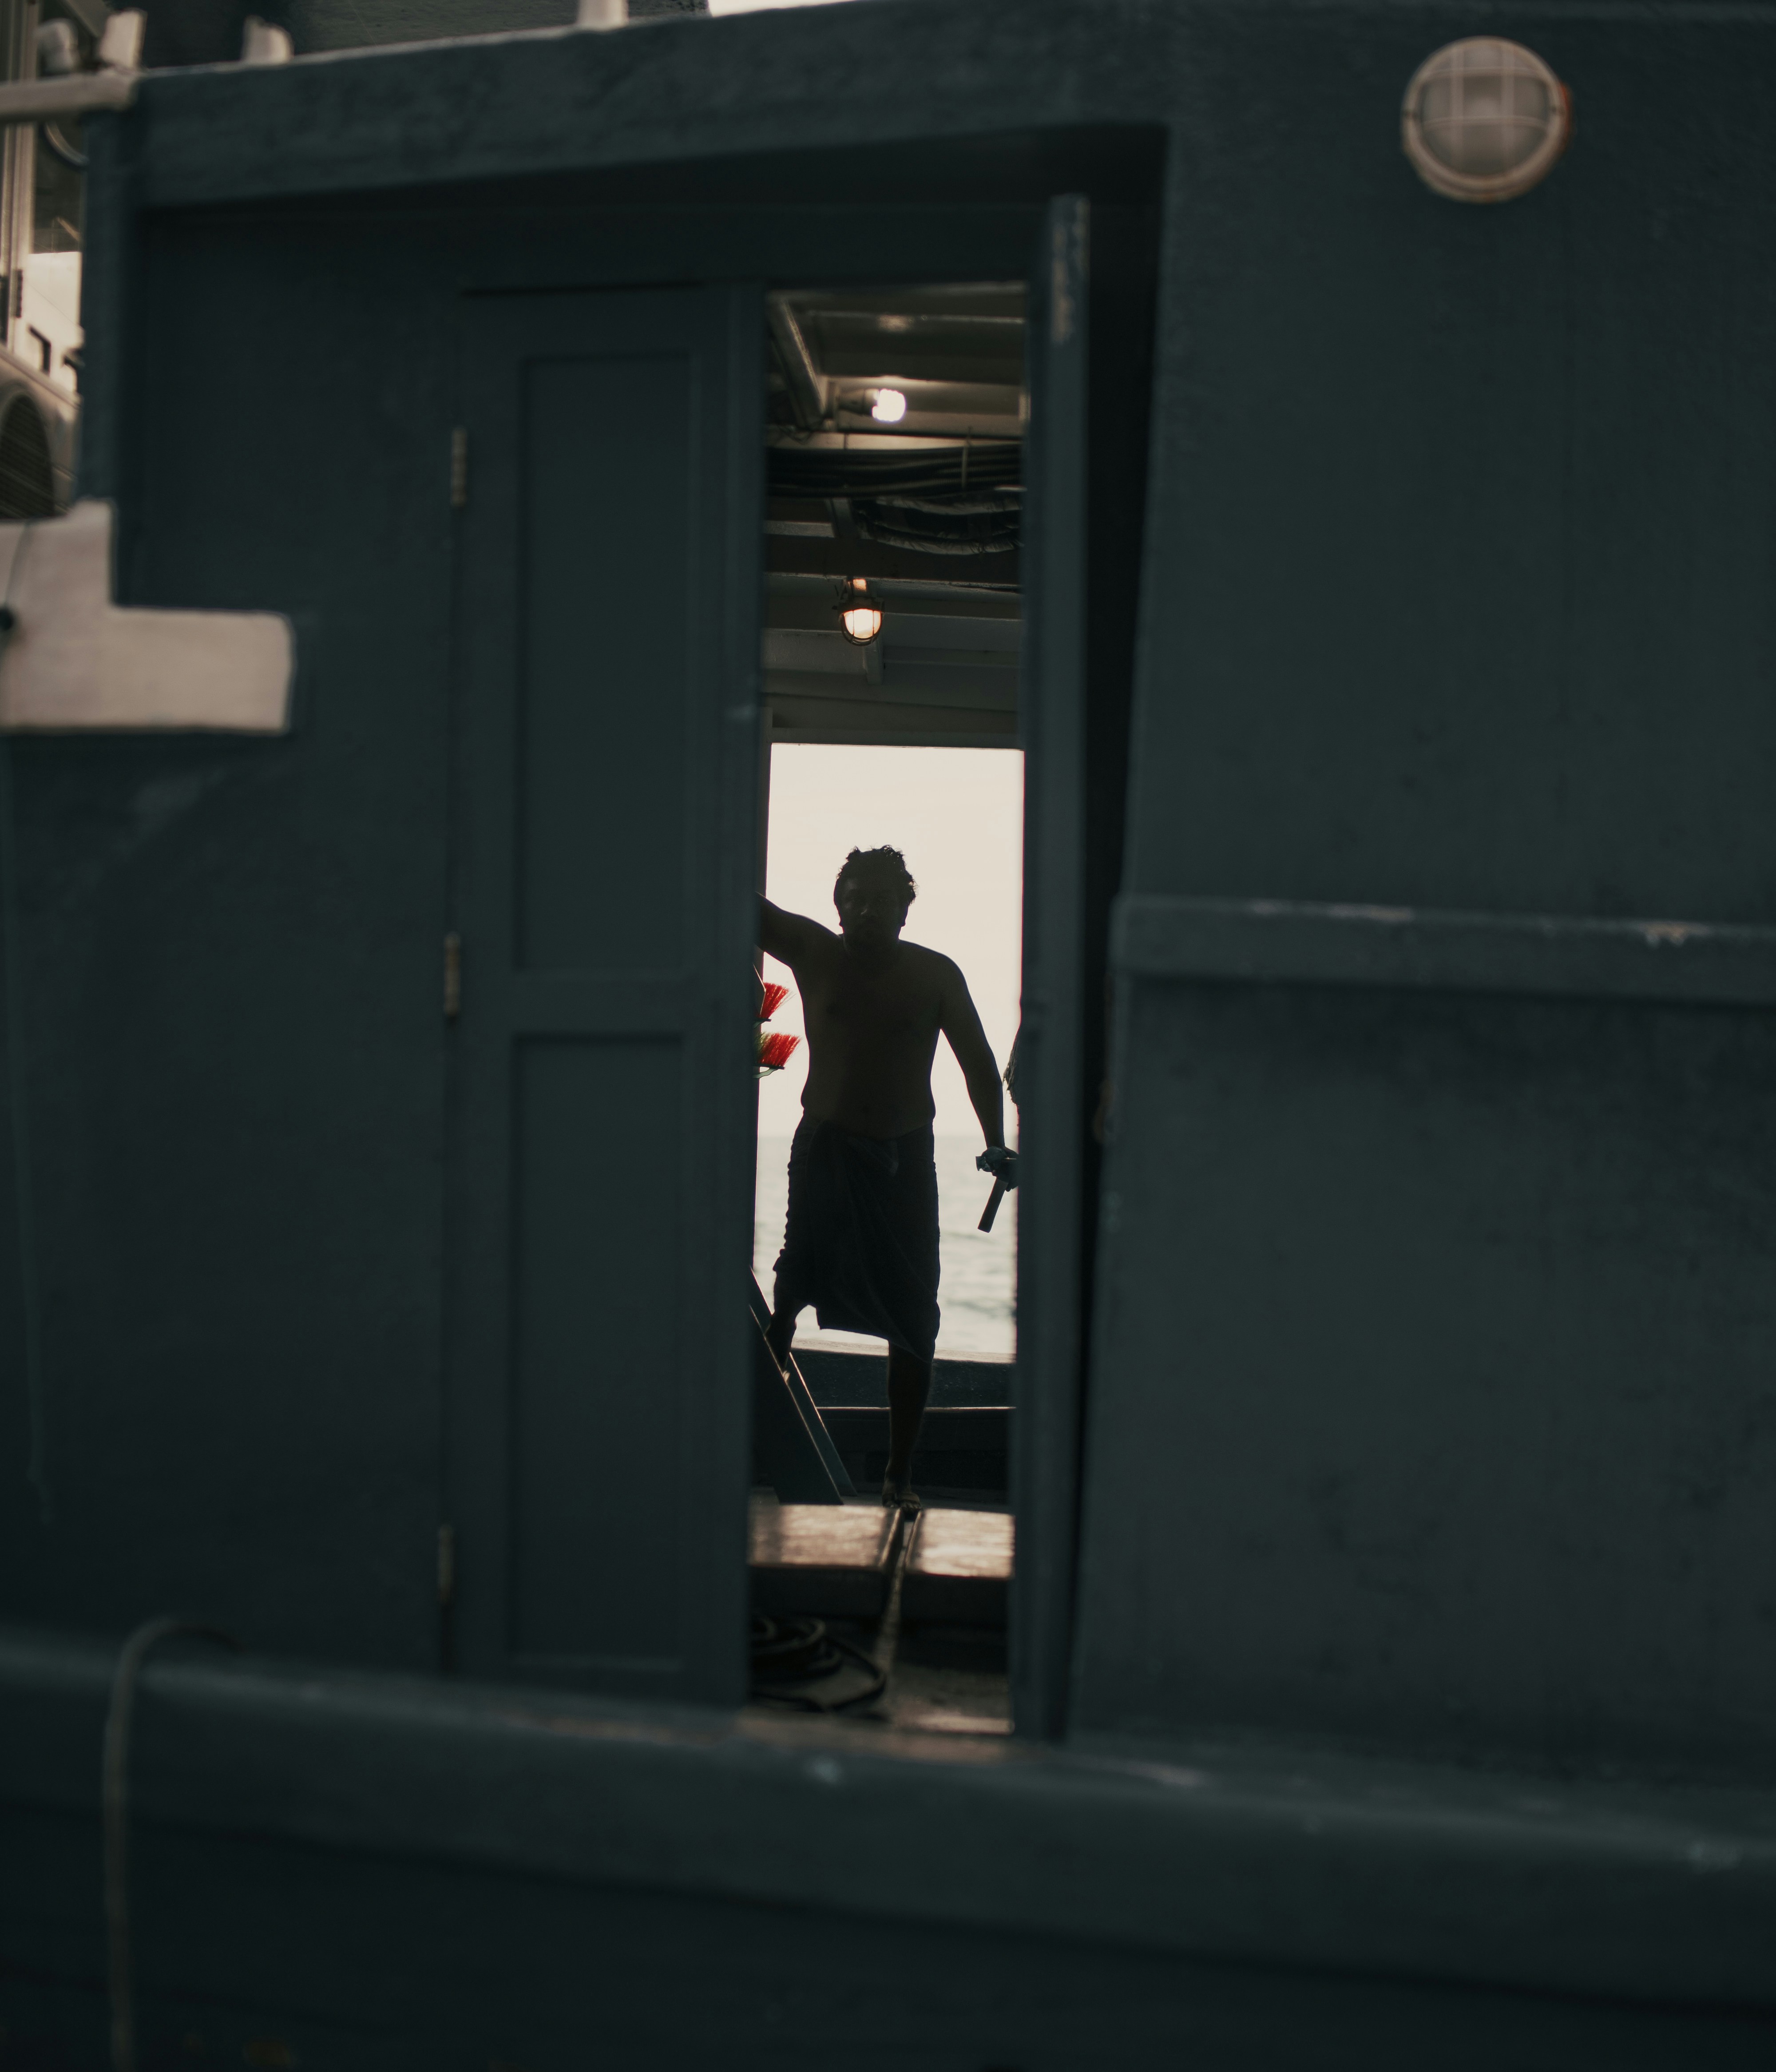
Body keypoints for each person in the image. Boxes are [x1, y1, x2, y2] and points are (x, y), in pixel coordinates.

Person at [759, 845, 1017, 1510]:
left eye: (884, 901)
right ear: (837, 902)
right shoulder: (813, 951)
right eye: (857, 898)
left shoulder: (935, 975)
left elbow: (980, 1067)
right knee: (793, 1283)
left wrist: (996, 1144)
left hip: (906, 1158)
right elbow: (738, 908)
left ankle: (899, 1477)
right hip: (826, 1145)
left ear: (907, 909)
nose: (869, 911)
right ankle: (754, 1433)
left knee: (914, 1315)